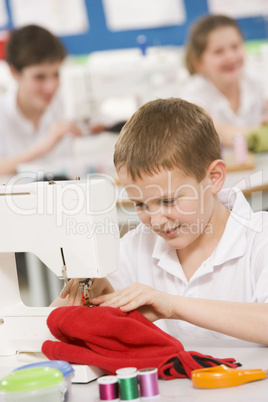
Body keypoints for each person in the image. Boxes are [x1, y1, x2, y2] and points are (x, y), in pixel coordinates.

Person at [59, 97, 268, 344]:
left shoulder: (259, 237)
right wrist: (90, 295)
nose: (156, 220)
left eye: (168, 201)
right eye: (140, 204)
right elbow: (57, 322)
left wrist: (172, 305)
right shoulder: (137, 245)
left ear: (213, 178)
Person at [0, 24, 82, 176]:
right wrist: (42, 147)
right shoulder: (3, 114)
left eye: (56, 74)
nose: (51, 87)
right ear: (14, 72)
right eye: (39, 77)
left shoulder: (64, 103)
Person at [181, 14, 268, 146]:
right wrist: (258, 134)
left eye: (235, 47)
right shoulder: (194, 92)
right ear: (199, 63)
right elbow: (212, 131)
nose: (230, 56)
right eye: (218, 51)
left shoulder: (255, 80)